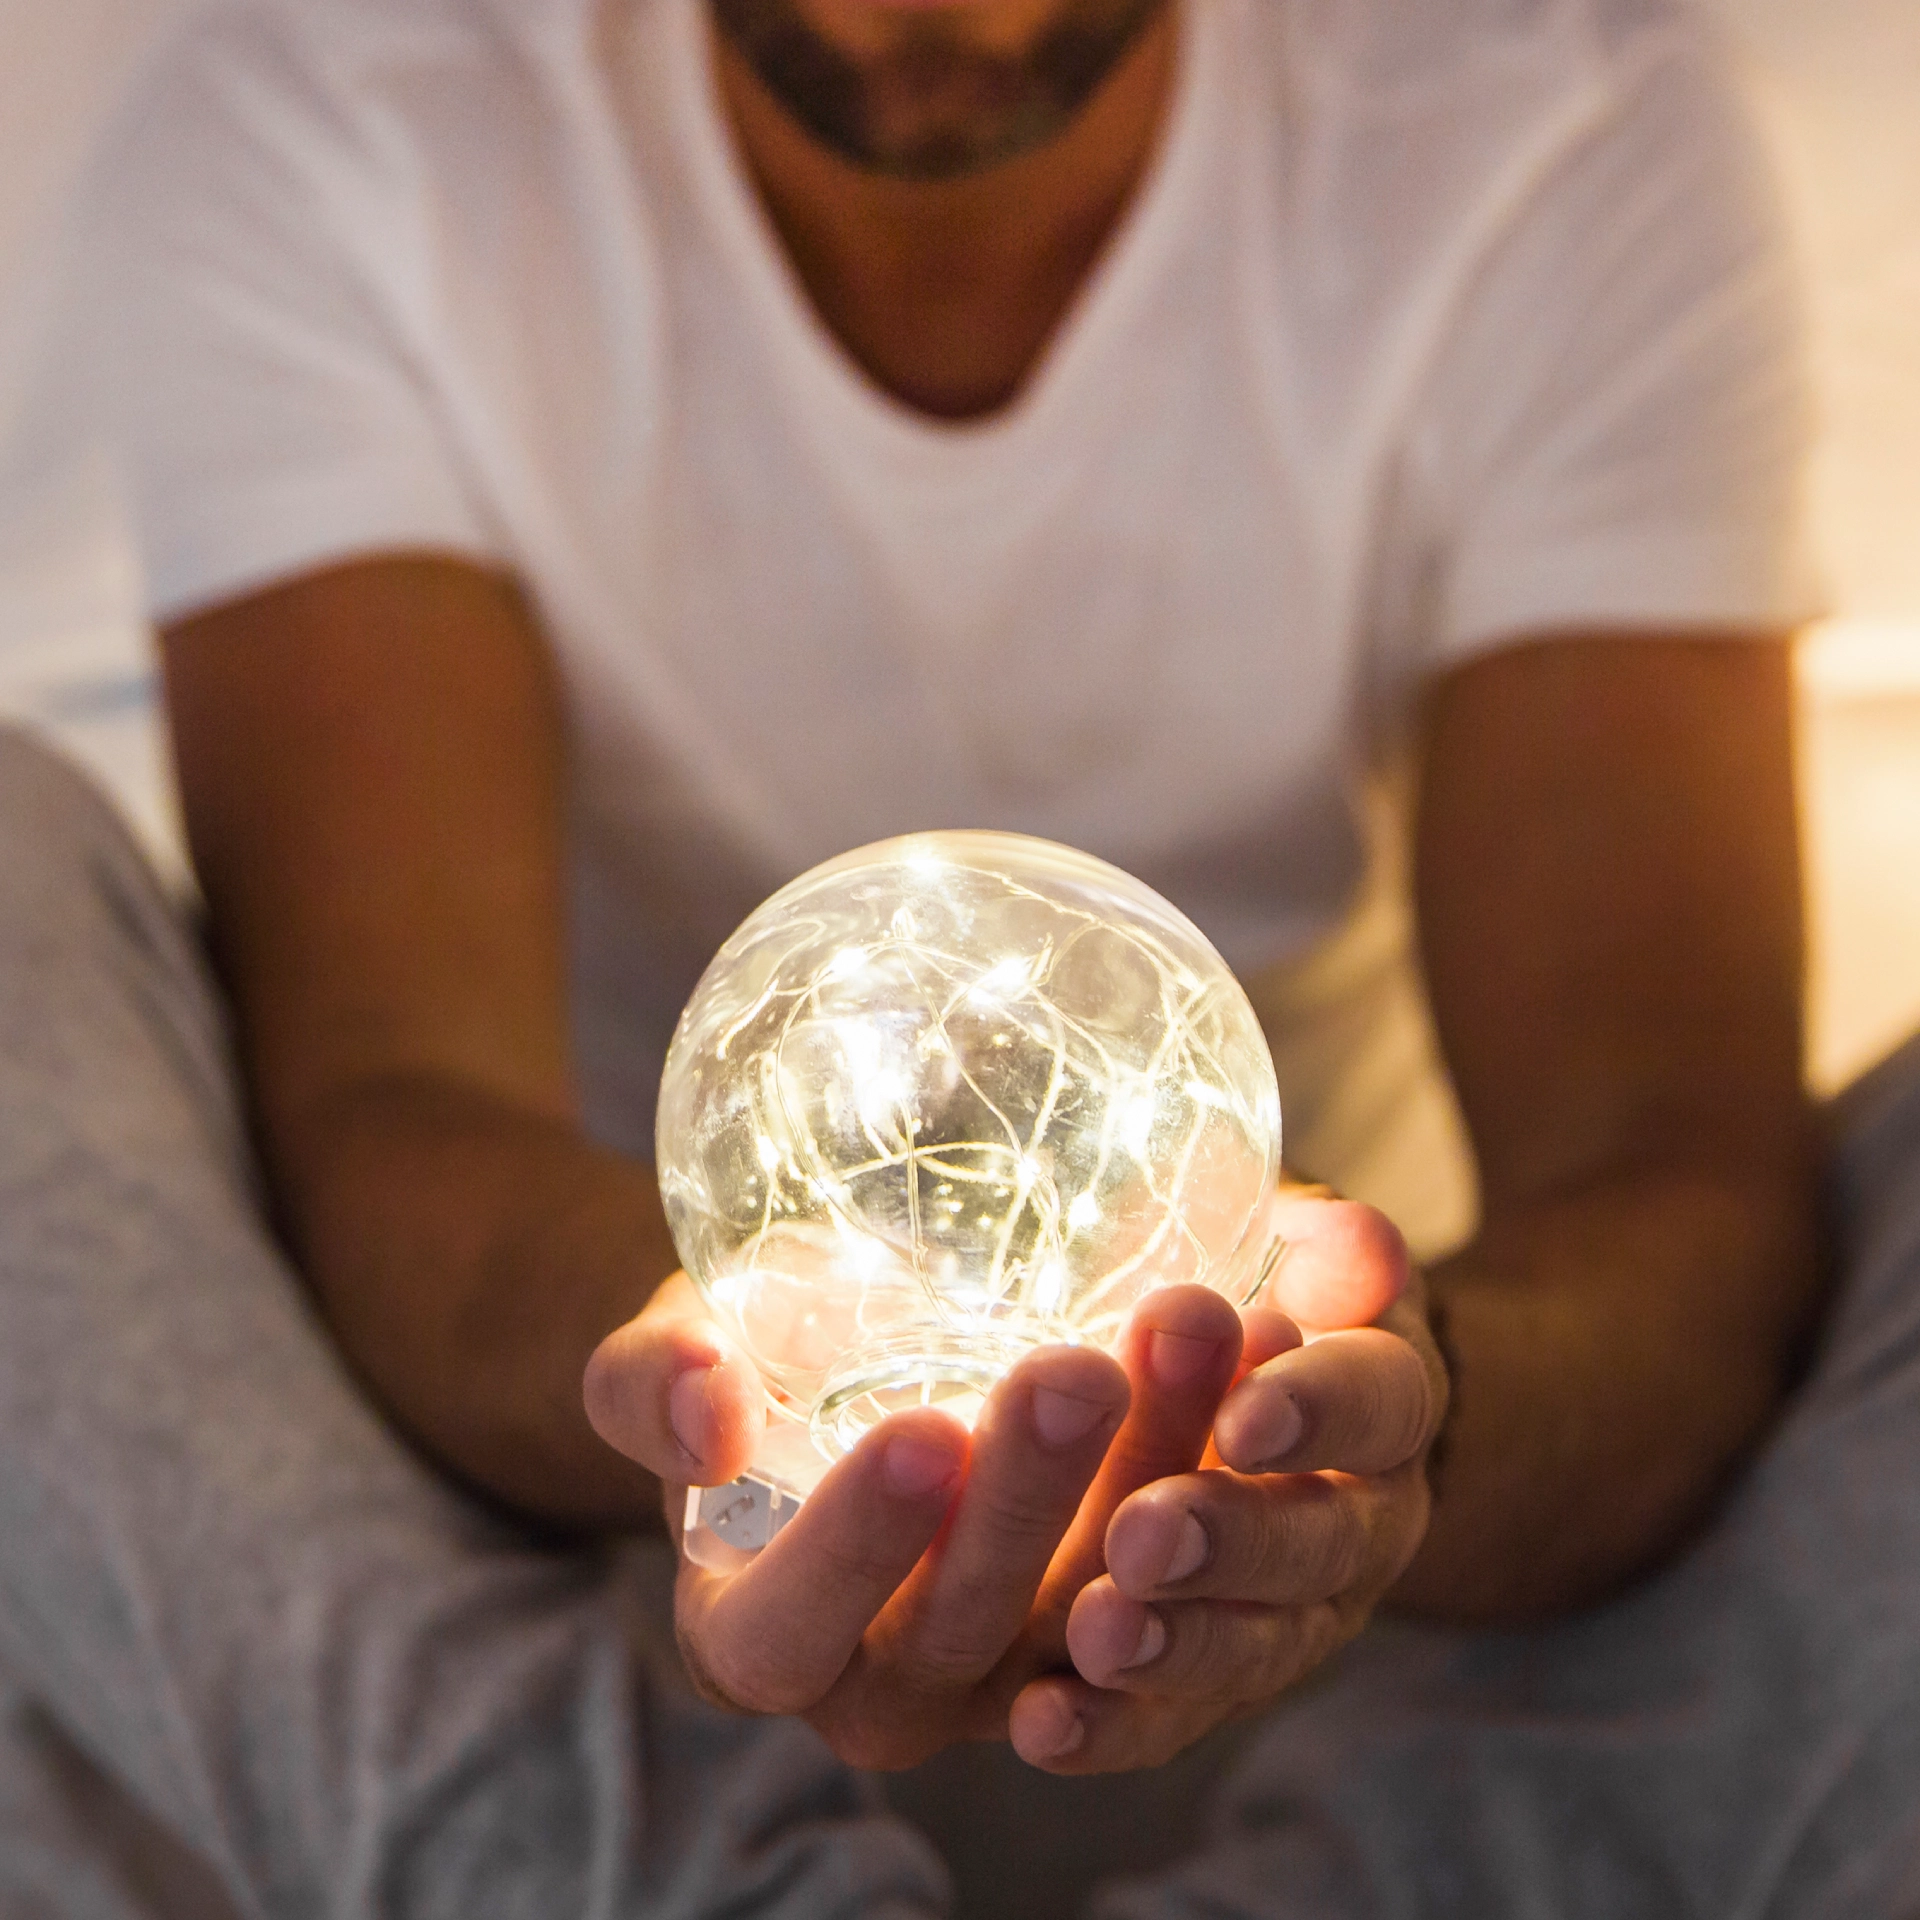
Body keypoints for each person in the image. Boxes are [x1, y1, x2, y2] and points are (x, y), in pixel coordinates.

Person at [1, 0, 1916, 1912]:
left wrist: (1383, 1440)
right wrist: (743, 1428)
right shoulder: (341, 119)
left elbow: (1673, 1185)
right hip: (583, 1598)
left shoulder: (1550, 120)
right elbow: (392, 1109)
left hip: (1388, 1611)